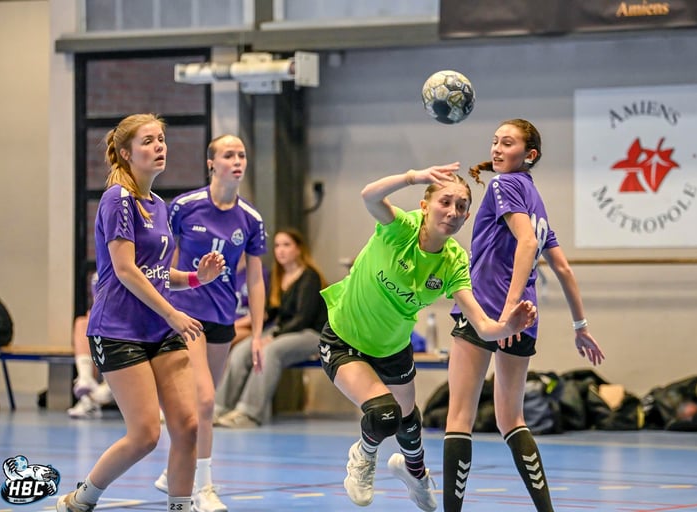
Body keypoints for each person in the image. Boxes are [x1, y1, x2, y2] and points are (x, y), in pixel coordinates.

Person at [318, 163, 538, 511]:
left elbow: (482, 325)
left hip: (393, 348)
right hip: (345, 339)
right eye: (444, 202)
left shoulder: (453, 262)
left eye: (461, 207)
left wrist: (507, 327)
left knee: (408, 423)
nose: (452, 212)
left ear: (467, 217)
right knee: (384, 414)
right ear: (425, 206)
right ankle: (364, 454)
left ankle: (416, 474)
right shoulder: (400, 229)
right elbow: (369, 195)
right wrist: (412, 177)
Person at [56, 113, 225, 512]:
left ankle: (180, 506)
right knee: (146, 435)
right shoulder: (118, 199)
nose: (159, 146)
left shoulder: (158, 206)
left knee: (187, 426)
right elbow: (126, 270)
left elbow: (157, 274)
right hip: (118, 330)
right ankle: (82, 499)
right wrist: (173, 314)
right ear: (126, 153)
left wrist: (196, 278)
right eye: (148, 141)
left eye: (161, 139)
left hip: (158, 332)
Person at [441, 119, 606, 512]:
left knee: (459, 418)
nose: (497, 149)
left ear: (529, 155)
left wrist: (507, 310)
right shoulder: (535, 199)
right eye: (495, 141)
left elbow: (527, 243)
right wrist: (580, 326)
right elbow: (563, 268)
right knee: (511, 420)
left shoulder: (503, 185)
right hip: (524, 321)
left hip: (487, 310)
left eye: (508, 143)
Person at [153, 134, 267, 512]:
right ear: (211, 163)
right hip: (186, 313)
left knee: (203, 404)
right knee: (203, 400)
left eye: (242, 155)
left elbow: (255, 279)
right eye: (228, 155)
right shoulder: (185, 207)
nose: (237, 161)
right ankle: (203, 487)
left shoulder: (250, 219)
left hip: (222, 317)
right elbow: (161, 258)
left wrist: (257, 335)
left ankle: (174, 471)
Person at [215, 228, 327, 428]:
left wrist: (273, 336)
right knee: (243, 350)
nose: (280, 250)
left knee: (268, 351)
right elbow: (273, 311)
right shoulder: (279, 277)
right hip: (285, 332)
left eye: (286, 245)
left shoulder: (310, 277)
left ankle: (249, 413)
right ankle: (219, 408)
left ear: (298, 249)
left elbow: (303, 319)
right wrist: (259, 331)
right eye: (277, 245)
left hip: (311, 334)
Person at [67, 272, 114, 420]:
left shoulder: (153, 269)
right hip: (112, 324)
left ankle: (111, 386)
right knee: (84, 323)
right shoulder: (100, 273)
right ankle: (86, 380)